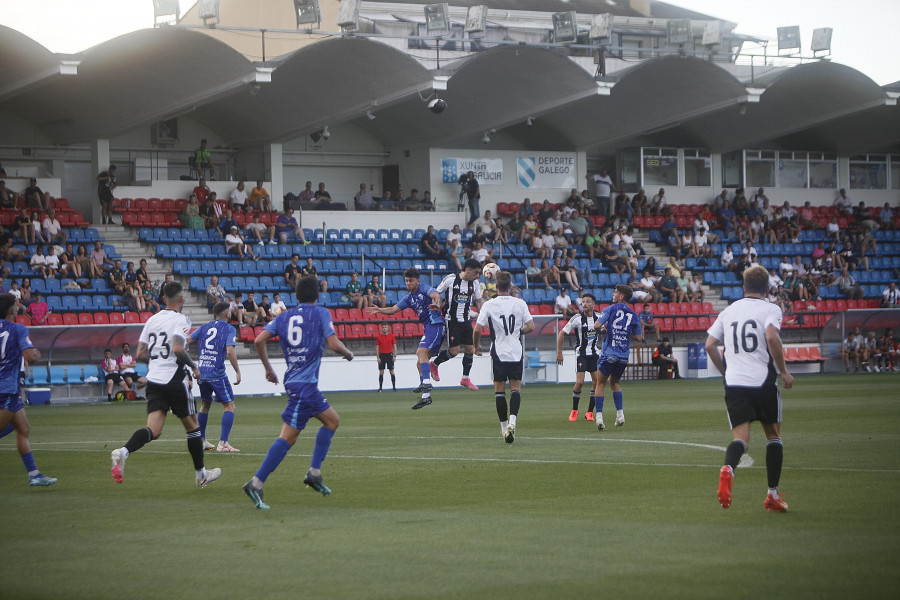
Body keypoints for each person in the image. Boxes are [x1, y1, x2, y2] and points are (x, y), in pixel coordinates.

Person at [242, 276, 354, 510]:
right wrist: (348, 353)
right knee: (288, 437)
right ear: (317, 295)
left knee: (332, 420)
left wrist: (268, 369)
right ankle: (256, 482)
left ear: (296, 296)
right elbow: (334, 344)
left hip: (298, 383)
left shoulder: (283, 317)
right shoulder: (321, 313)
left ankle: (314, 473)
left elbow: (259, 340)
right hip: (304, 386)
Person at [109, 281, 222, 488]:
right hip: (174, 378)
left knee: (154, 430)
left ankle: (123, 452)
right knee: (193, 428)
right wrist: (194, 367)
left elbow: (140, 353)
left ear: (163, 299)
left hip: (154, 379)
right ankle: (201, 475)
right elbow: (178, 348)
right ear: (182, 299)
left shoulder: (152, 320)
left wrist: (157, 362)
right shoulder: (181, 320)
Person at [705, 264, 793, 512]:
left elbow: (710, 345)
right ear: (767, 288)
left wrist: (726, 372)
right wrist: (784, 371)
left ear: (743, 287)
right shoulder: (771, 309)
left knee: (741, 439)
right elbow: (772, 337)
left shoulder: (729, 310)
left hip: (734, 383)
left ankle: (728, 468)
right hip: (762, 380)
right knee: (773, 436)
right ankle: (772, 495)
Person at [0, 294, 57, 486]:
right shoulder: (18, 329)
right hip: (6, 388)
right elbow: (29, 356)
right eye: (16, 305)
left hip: (10, 390)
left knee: (23, 428)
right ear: (11, 310)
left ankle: (34, 474)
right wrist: (36, 354)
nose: (18, 307)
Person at [367, 267, 444, 409]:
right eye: (407, 281)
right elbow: (393, 310)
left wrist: (436, 302)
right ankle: (426, 397)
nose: (408, 283)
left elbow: (435, 294)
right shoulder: (409, 297)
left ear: (418, 281)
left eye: (411, 280)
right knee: (420, 363)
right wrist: (379, 310)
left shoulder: (423, 288)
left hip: (436, 325)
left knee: (421, 352)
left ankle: (426, 382)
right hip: (429, 327)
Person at [473, 271, 535, 443]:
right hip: (516, 351)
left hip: (498, 352)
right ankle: (513, 421)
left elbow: (477, 329)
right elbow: (531, 326)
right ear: (510, 285)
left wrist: (477, 345)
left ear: (495, 285)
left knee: (499, 392)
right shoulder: (520, 303)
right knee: (516, 389)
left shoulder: (489, 305)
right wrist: (518, 331)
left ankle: (503, 427)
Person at [189, 302, 242, 453]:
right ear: (227, 314)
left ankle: (201, 440)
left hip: (202, 372)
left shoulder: (204, 327)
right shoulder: (229, 328)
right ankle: (223, 443)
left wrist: (192, 365)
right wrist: (237, 371)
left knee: (205, 405)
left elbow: (186, 341)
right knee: (230, 406)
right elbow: (230, 351)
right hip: (217, 373)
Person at [594, 285, 643, 430]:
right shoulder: (633, 314)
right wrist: (625, 332)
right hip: (623, 356)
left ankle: (599, 417)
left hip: (609, 353)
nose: (613, 294)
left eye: (615, 292)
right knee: (614, 383)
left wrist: (603, 330)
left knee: (600, 383)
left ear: (621, 296)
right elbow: (639, 337)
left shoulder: (611, 309)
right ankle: (620, 415)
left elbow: (597, 325)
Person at [430, 259, 484, 391]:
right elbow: (437, 292)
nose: (478, 276)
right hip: (452, 320)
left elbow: (478, 300)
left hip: (466, 321)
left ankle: (465, 378)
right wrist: (437, 304)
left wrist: (483, 316)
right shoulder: (450, 279)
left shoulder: (475, 283)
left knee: (470, 350)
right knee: (454, 352)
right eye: (476, 273)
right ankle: (434, 364)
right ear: (467, 270)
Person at [557, 292, 602, 423]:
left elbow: (605, 333)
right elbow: (561, 333)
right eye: (583, 302)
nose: (585, 304)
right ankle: (574, 410)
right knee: (580, 383)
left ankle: (589, 412)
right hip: (581, 355)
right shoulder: (576, 318)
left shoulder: (599, 317)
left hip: (594, 354)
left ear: (593, 304)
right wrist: (559, 353)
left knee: (596, 382)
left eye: (588, 301)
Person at [375, 322, 397, 392]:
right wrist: (378, 357)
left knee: (391, 371)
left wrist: (394, 355)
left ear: (388, 328)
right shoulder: (379, 337)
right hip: (382, 355)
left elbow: (394, 346)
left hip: (389, 355)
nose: (384, 329)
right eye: (383, 327)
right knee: (381, 371)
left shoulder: (391, 336)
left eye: (386, 327)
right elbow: (377, 347)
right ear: (382, 328)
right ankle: (380, 387)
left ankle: (394, 387)